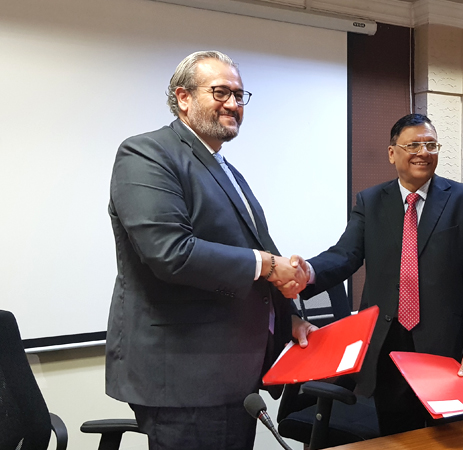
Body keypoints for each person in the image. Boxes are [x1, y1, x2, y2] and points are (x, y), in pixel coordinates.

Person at [106, 50, 314, 450]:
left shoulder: (226, 169)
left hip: (234, 375)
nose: (233, 104)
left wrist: (288, 318)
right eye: (220, 92)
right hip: (186, 378)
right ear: (183, 97)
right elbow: (171, 253)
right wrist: (269, 265)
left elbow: (249, 252)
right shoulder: (146, 154)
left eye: (239, 95)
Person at [300, 113, 463, 435]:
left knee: (450, 438)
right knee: (397, 437)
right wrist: (306, 272)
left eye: (431, 145)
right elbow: (345, 254)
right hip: (388, 347)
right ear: (392, 153)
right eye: (413, 145)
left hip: (447, 350)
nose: (423, 152)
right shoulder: (370, 201)